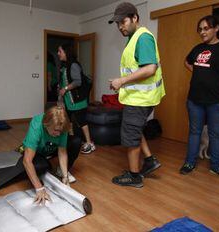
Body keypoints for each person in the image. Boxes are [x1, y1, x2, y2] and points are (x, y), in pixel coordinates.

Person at [108, 2, 164, 188]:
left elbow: (150, 68)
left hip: (141, 99)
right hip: (138, 98)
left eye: (122, 22)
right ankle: (149, 161)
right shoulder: (134, 38)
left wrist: (121, 81)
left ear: (135, 18)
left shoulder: (143, 37)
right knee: (135, 129)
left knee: (130, 135)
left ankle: (134, 176)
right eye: (117, 24)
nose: (120, 27)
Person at [180, 15, 219, 179]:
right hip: (195, 100)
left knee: (215, 134)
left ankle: (216, 166)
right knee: (194, 132)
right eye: (200, 29)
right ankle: (189, 163)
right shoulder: (198, 48)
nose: (202, 32)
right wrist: (199, 72)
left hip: (217, 101)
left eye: (206, 28)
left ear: (216, 28)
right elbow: (187, 61)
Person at [21, 106, 81, 205]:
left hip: (52, 148)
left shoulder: (62, 126)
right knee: (41, 167)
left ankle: (60, 171)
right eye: (55, 130)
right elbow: (27, 161)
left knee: (76, 141)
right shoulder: (37, 124)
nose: (58, 134)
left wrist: (65, 175)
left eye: (60, 131)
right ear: (46, 124)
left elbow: (62, 152)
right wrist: (39, 188)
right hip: (37, 152)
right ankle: (45, 166)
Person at [57, 43, 96, 154]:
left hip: (78, 100)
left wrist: (65, 88)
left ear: (66, 52)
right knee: (68, 120)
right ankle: (72, 140)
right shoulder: (64, 65)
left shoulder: (73, 65)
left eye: (60, 51)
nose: (58, 53)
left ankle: (89, 143)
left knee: (81, 121)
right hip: (68, 100)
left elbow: (78, 82)